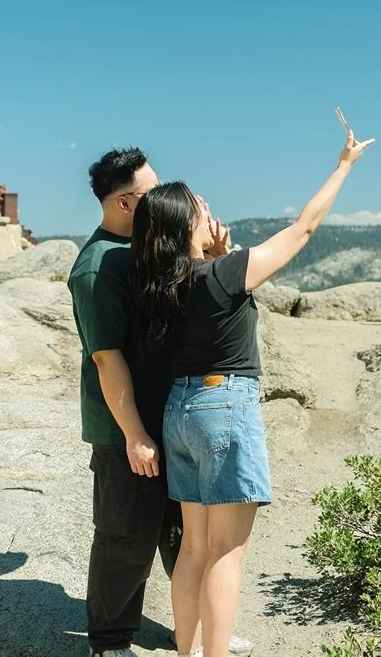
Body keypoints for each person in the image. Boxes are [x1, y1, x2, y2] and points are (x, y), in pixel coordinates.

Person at [131, 112, 374, 657]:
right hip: (225, 406)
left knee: (194, 547)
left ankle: (187, 650)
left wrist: (216, 257)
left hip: (180, 411)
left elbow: (206, 306)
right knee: (225, 554)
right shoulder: (225, 274)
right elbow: (304, 229)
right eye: (203, 210)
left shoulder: (159, 287)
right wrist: (343, 166)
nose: (211, 213)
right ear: (185, 227)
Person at [68, 147, 254, 657]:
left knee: (183, 531)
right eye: (153, 193)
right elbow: (107, 359)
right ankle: (108, 642)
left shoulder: (148, 251)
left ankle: (193, 630)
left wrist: (216, 259)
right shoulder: (98, 268)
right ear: (126, 204)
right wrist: (133, 434)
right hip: (125, 427)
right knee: (124, 536)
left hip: (173, 415)